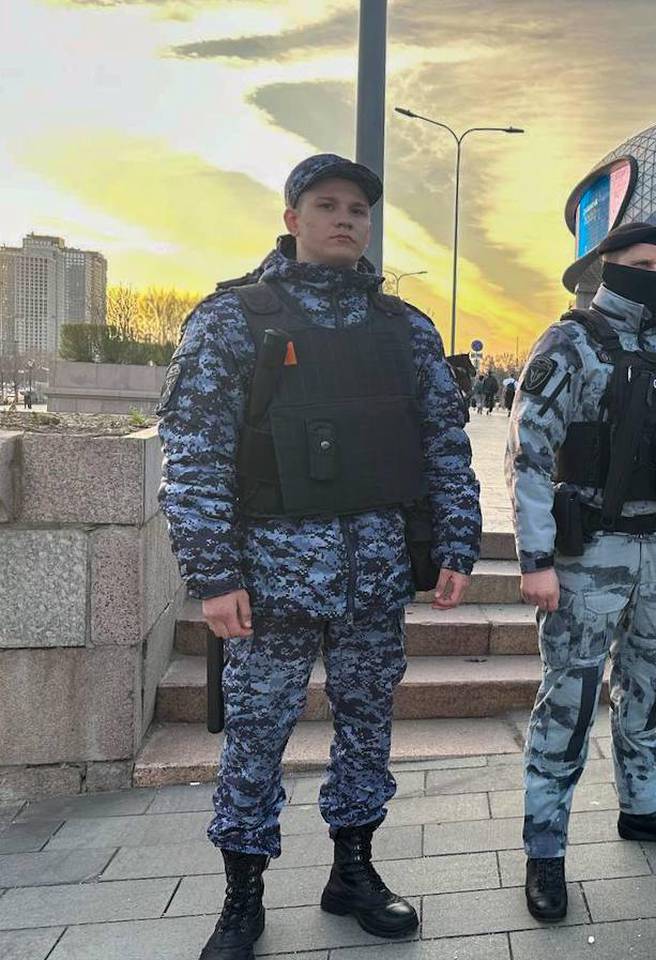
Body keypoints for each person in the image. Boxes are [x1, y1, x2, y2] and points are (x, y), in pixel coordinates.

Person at [157, 154, 481, 960]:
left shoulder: (406, 328)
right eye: (327, 205)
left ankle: (354, 873)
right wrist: (214, 574)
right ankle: (242, 897)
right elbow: (194, 454)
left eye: (358, 210)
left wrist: (456, 541)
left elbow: (443, 443)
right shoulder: (233, 319)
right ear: (293, 218)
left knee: (367, 727)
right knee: (255, 737)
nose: (345, 219)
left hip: (375, 574)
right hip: (271, 579)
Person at [507, 221, 656, 924]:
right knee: (568, 704)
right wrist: (536, 560)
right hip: (589, 554)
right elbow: (529, 456)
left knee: (646, 689)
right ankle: (546, 850)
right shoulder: (570, 341)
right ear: (609, 267)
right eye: (642, 264)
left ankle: (643, 805)